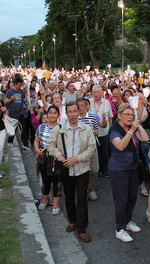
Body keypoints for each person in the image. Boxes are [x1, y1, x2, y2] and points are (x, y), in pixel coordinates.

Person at [46, 102, 96, 242]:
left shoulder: (86, 128)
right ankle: (72, 220)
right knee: (68, 196)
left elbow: (91, 148)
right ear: (66, 113)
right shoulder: (59, 129)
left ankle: (82, 228)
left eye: (75, 111)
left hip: (82, 169)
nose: (73, 114)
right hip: (65, 169)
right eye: (70, 112)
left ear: (79, 112)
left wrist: (77, 159)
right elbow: (49, 144)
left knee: (81, 198)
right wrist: (59, 156)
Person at [109, 103, 149, 242]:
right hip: (119, 169)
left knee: (132, 197)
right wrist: (131, 131)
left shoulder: (132, 127)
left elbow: (145, 138)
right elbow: (120, 146)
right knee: (121, 199)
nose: (130, 117)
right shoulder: (115, 129)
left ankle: (127, 221)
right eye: (127, 114)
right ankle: (120, 228)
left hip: (133, 168)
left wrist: (138, 126)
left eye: (132, 115)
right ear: (119, 116)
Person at [34, 105, 61, 214]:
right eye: (50, 113)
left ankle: (55, 204)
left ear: (58, 115)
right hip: (43, 157)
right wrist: (37, 150)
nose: (52, 115)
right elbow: (36, 141)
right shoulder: (41, 127)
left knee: (56, 181)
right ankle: (45, 200)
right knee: (45, 180)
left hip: (56, 158)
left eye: (55, 113)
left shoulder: (60, 128)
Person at [89, 85, 113, 178]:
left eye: (98, 92)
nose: (96, 94)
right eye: (94, 92)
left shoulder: (106, 103)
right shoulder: (89, 102)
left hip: (104, 131)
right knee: (94, 152)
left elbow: (110, 116)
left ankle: (105, 170)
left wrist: (110, 128)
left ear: (101, 93)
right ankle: (96, 170)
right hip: (92, 132)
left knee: (104, 152)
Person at [5, 77, 28, 149]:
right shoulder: (10, 91)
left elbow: (24, 100)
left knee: (23, 128)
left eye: (21, 85)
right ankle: (10, 141)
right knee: (13, 128)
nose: (19, 87)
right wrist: (11, 99)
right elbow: (5, 101)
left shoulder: (21, 91)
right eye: (18, 85)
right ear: (15, 84)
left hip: (21, 112)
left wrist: (27, 94)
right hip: (13, 112)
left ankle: (25, 144)